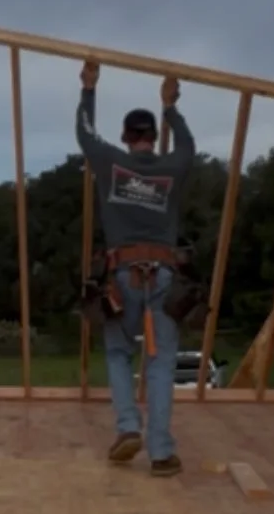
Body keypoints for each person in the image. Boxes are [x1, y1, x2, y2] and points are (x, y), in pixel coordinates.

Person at [77, 59, 196, 474]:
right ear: (152, 137)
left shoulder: (111, 162)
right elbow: (187, 146)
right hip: (164, 276)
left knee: (117, 352)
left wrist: (89, 89)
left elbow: (85, 133)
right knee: (160, 363)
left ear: (127, 137)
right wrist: (171, 107)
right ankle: (161, 453)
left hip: (122, 276)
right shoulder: (172, 166)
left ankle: (128, 426)